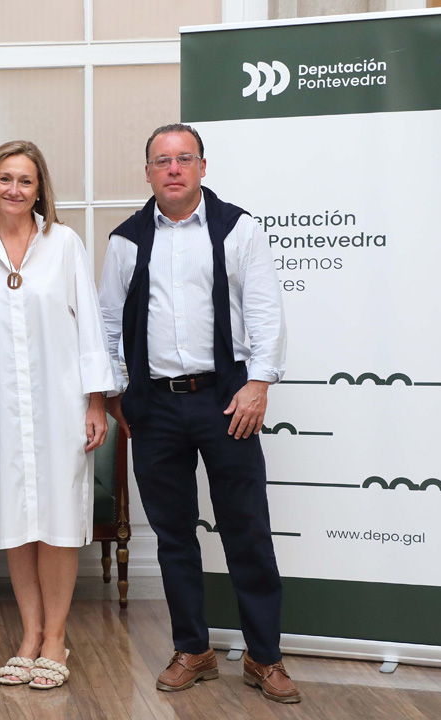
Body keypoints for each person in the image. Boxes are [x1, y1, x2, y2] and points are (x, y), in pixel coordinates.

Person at [98, 123, 299, 703]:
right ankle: (194, 649)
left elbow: (265, 312)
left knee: (247, 531)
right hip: (155, 407)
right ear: (148, 173)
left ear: (203, 167)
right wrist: (120, 397)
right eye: (162, 160)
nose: (174, 168)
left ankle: (265, 658)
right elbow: (110, 325)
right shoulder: (126, 241)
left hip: (227, 402)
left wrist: (258, 384)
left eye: (184, 158)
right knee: (173, 536)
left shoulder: (239, 229)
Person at [0, 140, 116, 690]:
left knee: (58, 525)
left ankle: (57, 638)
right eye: (5, 179)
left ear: (41, 190)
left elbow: (89, 324)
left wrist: (96, 402)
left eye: (26, 181)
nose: (15, 189)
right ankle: (29, 635)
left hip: (62, 407)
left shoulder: (64, 245)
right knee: (16, 524)